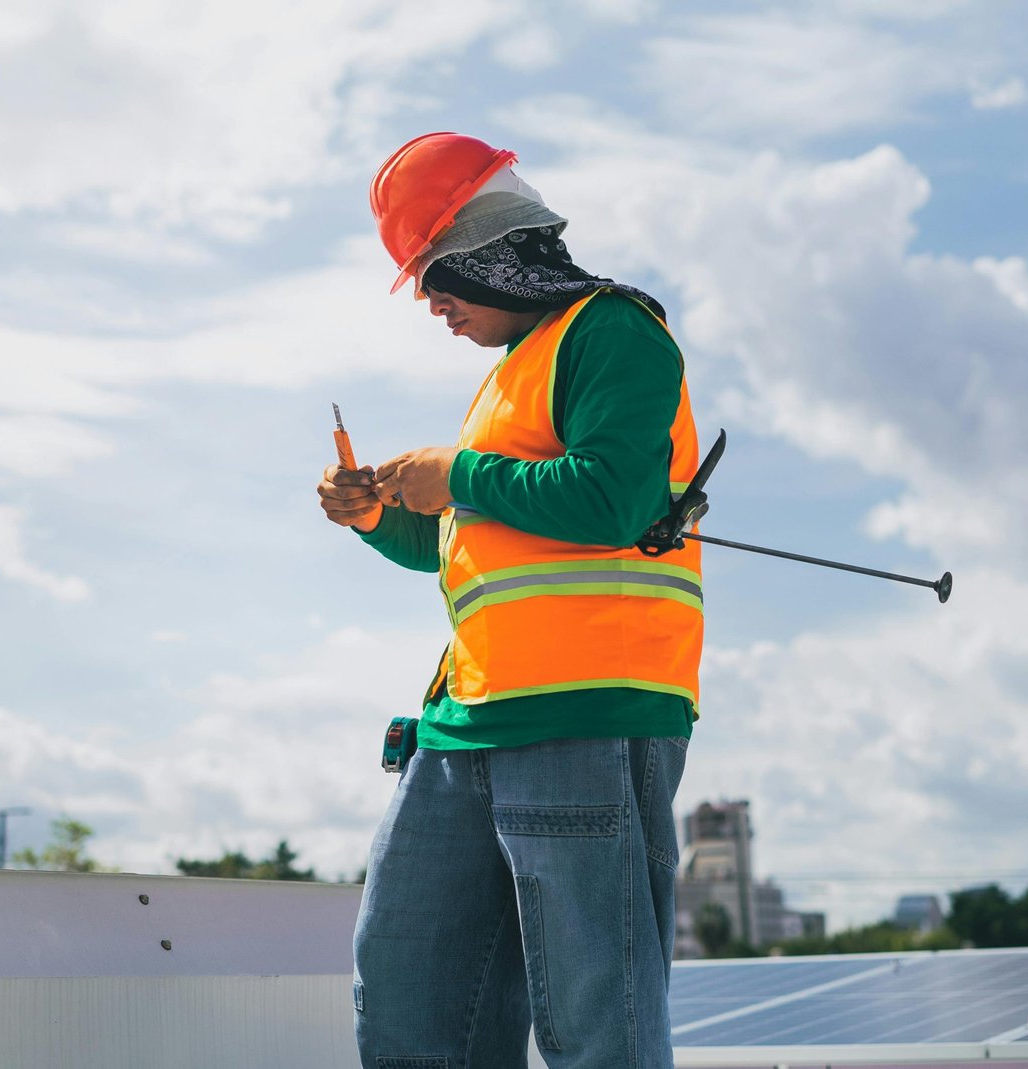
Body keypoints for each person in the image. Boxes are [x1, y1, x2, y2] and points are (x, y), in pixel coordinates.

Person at [316, 132, 704, 1069]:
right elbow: (468, 547)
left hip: (586, 717)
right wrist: (380, 517)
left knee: (592, 1022)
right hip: (467, 727)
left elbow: (610, 500)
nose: (430, 302)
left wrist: (457, 473)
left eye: (435, 276)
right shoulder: (509, 376)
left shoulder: (613, 331)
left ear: (487, 253)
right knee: (410, 1000)